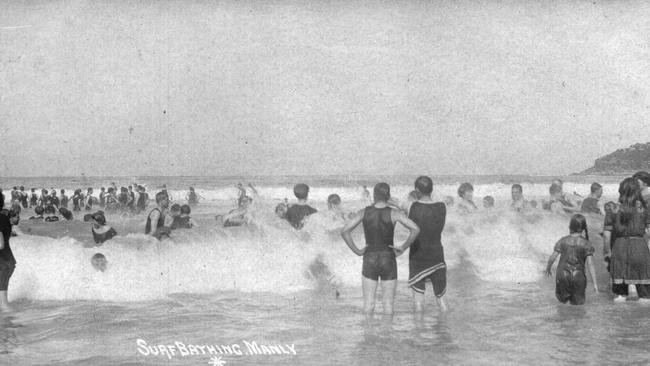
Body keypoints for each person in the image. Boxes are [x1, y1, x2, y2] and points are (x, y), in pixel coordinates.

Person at [341, 183, 420, 315]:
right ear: (388, 196)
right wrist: (403, 247)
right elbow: (416, 229)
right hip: (388, 258)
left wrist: (358, 251)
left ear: (374, 195)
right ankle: (387, 334)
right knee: (388, 304)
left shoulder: (364, 212)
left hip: (370, 257)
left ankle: (368, 334)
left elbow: (344, 231)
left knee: (368, 303)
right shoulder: (394, 213)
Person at [603, 177, 650, 302]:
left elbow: (607, 235)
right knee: (645, 296)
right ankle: (642, 321)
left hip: (620, 248)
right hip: (640, 248)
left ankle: (621, 318)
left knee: (619, 296)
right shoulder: (644, 208)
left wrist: (607, 252)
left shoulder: (613, 209)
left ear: (621, 190)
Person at [407, 176, 449, 312]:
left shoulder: (412, 207)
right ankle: (445, 330)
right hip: (437, 255)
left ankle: (419, 331)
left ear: (417, 190)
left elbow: (398, 205)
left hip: (418, 257)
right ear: (432, 189)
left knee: (418, 300)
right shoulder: (442, 207)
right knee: (441, 298)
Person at [545, 214, 598, 305]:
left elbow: (553, 257)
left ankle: (564, 317)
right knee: (577, 305)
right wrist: (595, 283)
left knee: (563, 303)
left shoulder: (563, 240)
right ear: (583, 227)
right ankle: (575, 318)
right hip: (578, 276)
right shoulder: (586, 243)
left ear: (570, 226)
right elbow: (590, 264)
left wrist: (548, 268)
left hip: (562, 275)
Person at [0, 209, 19, 311]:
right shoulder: (5, 221)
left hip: (4, 262)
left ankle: (11, 322)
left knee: (4, 305)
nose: (18, 218)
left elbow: (0, 244)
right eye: (17, 216)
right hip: (7, 261)